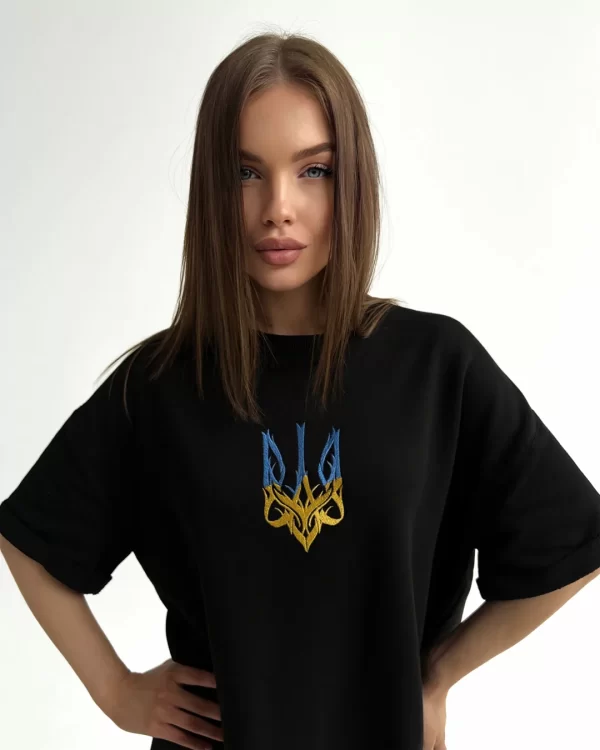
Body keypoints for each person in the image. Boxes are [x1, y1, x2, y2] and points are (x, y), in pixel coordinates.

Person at [1, 29, 600, 750]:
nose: (277, 207)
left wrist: (438, 677)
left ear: (353, 183)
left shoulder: (435, 367)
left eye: (313, 170)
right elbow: (30, 540)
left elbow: (570, 536)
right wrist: (117, 692)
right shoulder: (162, 384)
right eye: (244, 173)